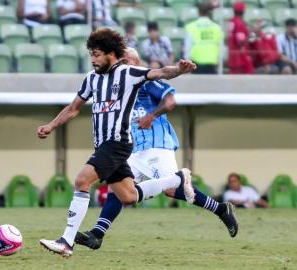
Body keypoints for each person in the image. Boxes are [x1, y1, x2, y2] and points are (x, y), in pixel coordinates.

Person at [37, 28, 197, 257]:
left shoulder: (128, 73)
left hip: (118, 142)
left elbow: (160, 72)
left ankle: (66, 241)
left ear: (112, 53)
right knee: (128, 196)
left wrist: (179, 70)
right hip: (103, 145)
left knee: (82, 180)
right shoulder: (92, 79)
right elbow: (73, 109)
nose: (93, 60)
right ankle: (178, 178)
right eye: (91, 55)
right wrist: (51, 125)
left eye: (97, 54)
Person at [74, 48, 239, 251]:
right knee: (118, 187)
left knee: (171, 189)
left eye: (125, 59)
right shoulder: (120, 84)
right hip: (133, 148)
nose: (121, 63)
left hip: (156, 143)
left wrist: (151, 115)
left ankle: (222, 209)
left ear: (135, 61)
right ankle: (97, 235)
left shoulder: (146, 80)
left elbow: (170, 101)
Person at [184, 1, 223, 74]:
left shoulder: (191, 27)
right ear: (209, 12)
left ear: (198, 12)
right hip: (212, 64)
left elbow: (187, 48)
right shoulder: (217, 28)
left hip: (196, 64)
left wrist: (187, 64)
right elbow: (221, 48)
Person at [227, 1, 254, 74]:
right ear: (243, 11)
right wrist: (250, 34)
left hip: (232, 57)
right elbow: (241, 42)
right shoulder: (239, 23)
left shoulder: (231, 21)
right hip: (240, 59)